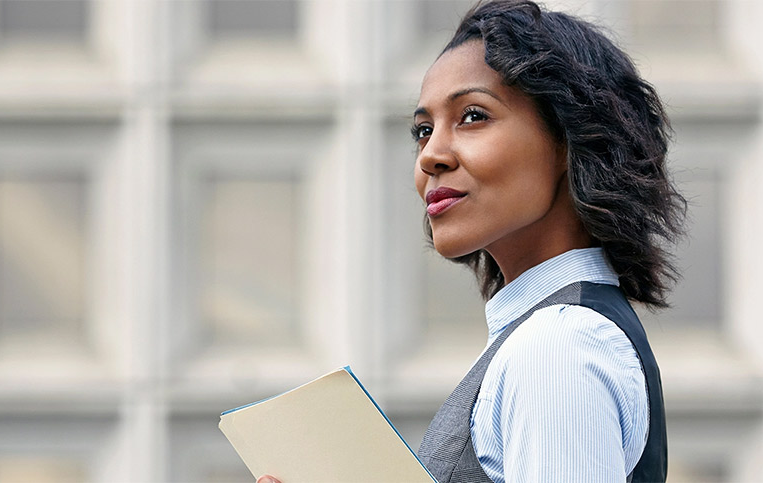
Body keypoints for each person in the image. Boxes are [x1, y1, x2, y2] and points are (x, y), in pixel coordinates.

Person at [259, 0, 684, 481]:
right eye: (423, 130)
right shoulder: (547, 336)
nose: (430, 155)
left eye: (473, 116)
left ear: (570, 139)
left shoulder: (558, 346)